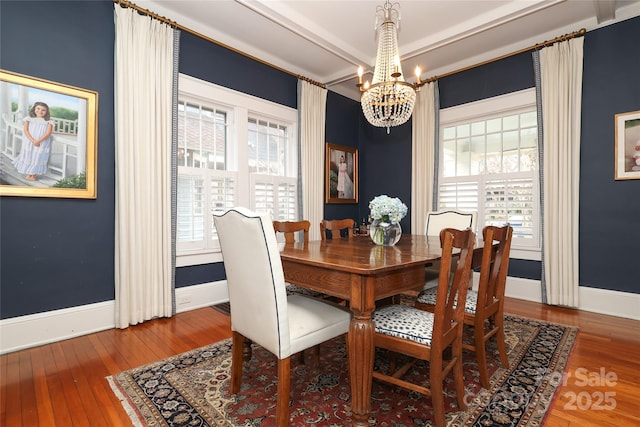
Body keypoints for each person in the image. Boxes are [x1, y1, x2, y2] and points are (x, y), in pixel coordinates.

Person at [13, 101, 54, 181]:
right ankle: (29, 173)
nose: (40, 111)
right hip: (29, 141)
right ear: (34, 109)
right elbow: (26, 130)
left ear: (46, 112)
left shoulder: (49, 121)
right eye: (38, 108)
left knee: (37, 156)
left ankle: (34, 175)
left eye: (43, 110)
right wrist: (32, 140)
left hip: (42, 142)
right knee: (29, 155)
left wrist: (38, 141)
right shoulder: (29, 119)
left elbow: (48, 133)